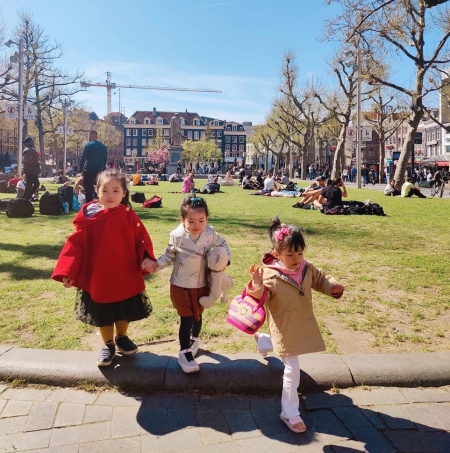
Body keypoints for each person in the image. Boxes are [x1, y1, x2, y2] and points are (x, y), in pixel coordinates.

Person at [249, 217, 345, 434]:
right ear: (277, 254)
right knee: (292, 369)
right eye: (290, 255)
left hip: (299, 322)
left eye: (300, 253)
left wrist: (333, 287)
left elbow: (321, 279)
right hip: (283, 324)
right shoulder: (270, 274)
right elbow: (259, 297)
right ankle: (289, 412)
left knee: (282, 346)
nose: (296, 259)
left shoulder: (306, 267)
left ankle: (263, 341)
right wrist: (256, 284)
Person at [51, 169, 156, 367]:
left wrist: (147, 258)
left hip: (125, 273)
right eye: (105, 190)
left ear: (124, 193)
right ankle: (108, 344)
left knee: (125, 307)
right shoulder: (90, 219)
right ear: (97, 191)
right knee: (103, 311)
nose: (110, 195)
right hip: (99, 275)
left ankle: (122, 337)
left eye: (116, 191)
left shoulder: (128, 216)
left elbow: (141, 241)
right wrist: (67, 271)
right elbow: (75, 245)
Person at [151, 196, 231, 374]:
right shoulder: (176, 236)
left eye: (201, 220)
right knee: (186, 317)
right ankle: (184, 352)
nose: (196, 225)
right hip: (181, 283)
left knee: (197, 314)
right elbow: (168, 256)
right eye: (191, 221)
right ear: (182, 220)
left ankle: (195, 339)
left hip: (201, 283)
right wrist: (156, 265)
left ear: (207, 219)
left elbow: (223, 245)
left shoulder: (210, 233)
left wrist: (225, 261)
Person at [79, 130, 107, 203]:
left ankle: (89, 204)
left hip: (89, 169)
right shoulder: (103, 147)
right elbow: (105, 160)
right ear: (97, 136)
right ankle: (100, 203)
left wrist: (80, 169)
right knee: (99, 188)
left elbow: (83, 158)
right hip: (99, 170)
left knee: (88, 190)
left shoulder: (88, 145)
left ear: (90, 137)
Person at [22, 137, 41, 201]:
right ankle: (25, 198)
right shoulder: (28, 150)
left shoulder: (30, 149)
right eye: (31, 141)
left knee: (34, 184)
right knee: (30, 185)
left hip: (32, 171)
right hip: (30, 171)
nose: (33, 143)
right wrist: (38, 163)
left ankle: (27, 198)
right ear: (28, 143)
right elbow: (29, 161)